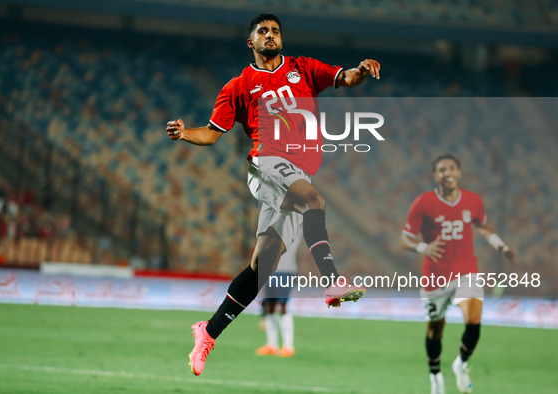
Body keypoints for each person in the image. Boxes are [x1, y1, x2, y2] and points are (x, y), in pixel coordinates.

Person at [167, 13, 380, 376]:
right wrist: (187, 133)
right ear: (251, 42)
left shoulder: (304, 68)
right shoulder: (239, 85)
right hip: (267, 164)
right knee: (314, 199)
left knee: (261, 266)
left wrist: (360, 69)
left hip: (298, 172)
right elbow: (213, 132)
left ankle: (208, 331)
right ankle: (332, 281)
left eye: (275, 31)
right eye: (262, 31)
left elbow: (344, 77)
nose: (270, 35)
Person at [399, 153, 519, 394]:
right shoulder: (422, 203)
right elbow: (404, 239)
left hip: (466, 272)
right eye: (442, 170)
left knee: (474, 321)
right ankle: (435, 378)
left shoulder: (473, 201)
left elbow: (483, 228)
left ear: (459, 172)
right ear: (436, 176)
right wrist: (424, 247)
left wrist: (501, 246)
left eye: (452, 168)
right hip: (435, 276)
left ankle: (461, 364)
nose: (448, 173)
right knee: (435, 329)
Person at [255, 234, 300, 358]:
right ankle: (272, 345)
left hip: (285, 272)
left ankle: (288, 346)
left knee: (282, 307)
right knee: (270, 306)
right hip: (270, 270)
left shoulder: (294, 228)